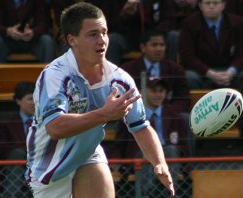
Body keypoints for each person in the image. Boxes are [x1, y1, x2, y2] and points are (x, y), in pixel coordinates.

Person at [24, 2, 174, 198]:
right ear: (72, 40)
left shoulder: (120, 80)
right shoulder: (56, 75)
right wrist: (104, 114)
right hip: (50, 166)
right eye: (93, 34)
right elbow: (55, 127)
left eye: (104, 32)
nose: (102, 40)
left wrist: (159, 162)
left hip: (87, 153)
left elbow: (141, 126)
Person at [106, 77, 189, 198]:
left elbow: (184, 146)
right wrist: (115, 160)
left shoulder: (174, 116)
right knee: (146, 152)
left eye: (161, 91)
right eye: (154, 90)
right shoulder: (130, 113)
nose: (158, 95)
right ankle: (146, 195)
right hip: (140, 157)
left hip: (168, 157)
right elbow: (119, 144)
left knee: (171, 150)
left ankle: (171, 193)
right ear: (143, 91)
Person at [121, 29, 195, 156]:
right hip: (138, 112)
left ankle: (188, 164)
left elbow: (183, 99)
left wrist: (164, 110)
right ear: (143, 47)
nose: (159, 49)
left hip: (167, 114)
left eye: (162, 45)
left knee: (185, 118)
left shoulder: (175, 69)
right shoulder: (128, 69)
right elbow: (121, 98)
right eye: (154, 45)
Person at [178, 0, 243, 89]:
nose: (211, 6)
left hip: (228, 70)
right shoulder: (189, 23)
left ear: (223, 5)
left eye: (216, 3)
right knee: (190, 76)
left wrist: (230, 72)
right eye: (207, 3)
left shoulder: (235, 23)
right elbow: (187, 57)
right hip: (202, 71)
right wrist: (209, 73)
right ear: (200, 6)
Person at [0, 0, 55, 92]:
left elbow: (44, 23)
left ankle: (48, 87)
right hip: (7, 41)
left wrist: (33, 32)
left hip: (32, 41)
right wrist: (8, 31)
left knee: (47, 41)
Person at [0, 81, 35, 197]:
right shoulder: (7, 124)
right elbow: (1, 150)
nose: (34, 103)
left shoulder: (46, 122)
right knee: (17, 153)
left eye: (35, 98)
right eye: (29, 99)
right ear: (18, 101)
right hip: (17, 166)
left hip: (40, 164)